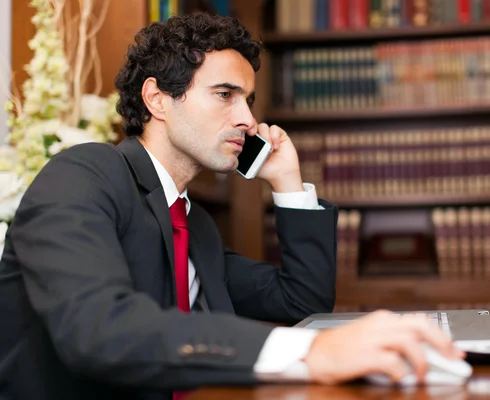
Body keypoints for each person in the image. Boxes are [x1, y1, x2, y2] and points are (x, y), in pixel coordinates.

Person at [0, 12, 463, 400]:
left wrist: (287, 182)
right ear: (158, 99)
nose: (247, 118)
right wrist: (310, 353)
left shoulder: (192, 223)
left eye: (248, 100)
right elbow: (99, 329)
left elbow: (300, 300)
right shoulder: (83, 175)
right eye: (225, 95)